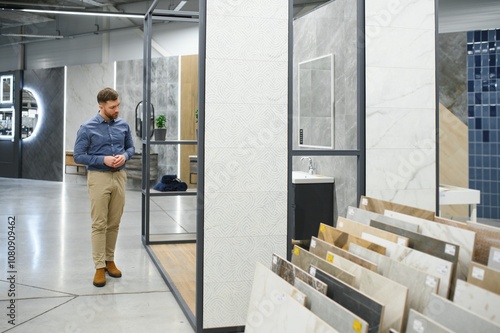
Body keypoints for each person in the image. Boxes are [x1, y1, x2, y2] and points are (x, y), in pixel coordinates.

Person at [74, 87, 135, 287]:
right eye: (112, 107)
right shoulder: (87, 127)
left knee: (114, 223)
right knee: (99, 224)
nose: (117, 109)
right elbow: (78, 156)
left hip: (119, 177)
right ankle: (99, 267)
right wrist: (104, 159)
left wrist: (124, 156)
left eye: (118, 105)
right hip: (98, 177)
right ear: (101, 106)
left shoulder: (123, 125)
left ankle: (110, 260)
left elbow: (130, 147)